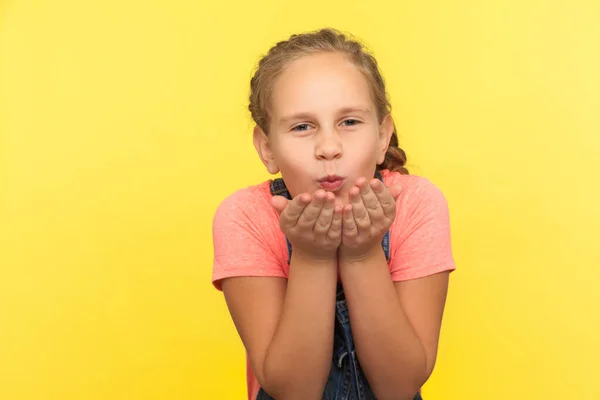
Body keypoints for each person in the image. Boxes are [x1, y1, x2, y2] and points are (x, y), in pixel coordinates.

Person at [211, 28, 456, 400]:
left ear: (382, 136)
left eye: (350, 122)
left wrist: (362, 253)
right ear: (267, 149)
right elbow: (293, 391)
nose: (329, 147)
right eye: (302, 126)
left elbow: (401, 386)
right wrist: (312, 256)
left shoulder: (417, 204)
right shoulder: (245, 217)